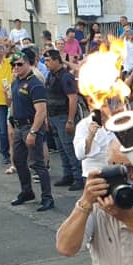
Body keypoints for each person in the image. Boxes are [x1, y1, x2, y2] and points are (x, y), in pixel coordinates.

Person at [6, 49, 53, 211]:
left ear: (28, 64)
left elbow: (41, 111)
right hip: (18, 126)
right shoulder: (15, 81)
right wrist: (11, 121)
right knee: (19, 161)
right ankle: (27, 191)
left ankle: (47, 197)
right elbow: (11, 103)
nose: (16, 67)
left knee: (37, 163)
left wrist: (33, 132)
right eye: (14, 65)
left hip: (31, 126)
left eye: (20, 64)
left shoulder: (35, 84)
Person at [44, 49, 81, 190]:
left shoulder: (65, 77)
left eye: (48, 60)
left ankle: (78, 177)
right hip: (53, 116)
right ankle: (68, 175)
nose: (46, 63)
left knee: (69, 147)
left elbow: (73, 98)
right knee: (61, 148)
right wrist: (47, 118)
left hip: (64, 116)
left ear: (56, 60)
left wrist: (70, 120)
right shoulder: (51, 75)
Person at [73, 106, 117, 192]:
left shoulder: (116, 120)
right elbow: (79, 154)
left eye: (104, 105)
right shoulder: (83, 125)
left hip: (116, 172)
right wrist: (90, 135)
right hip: (95, 175)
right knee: (96, 204)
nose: (100, 109)